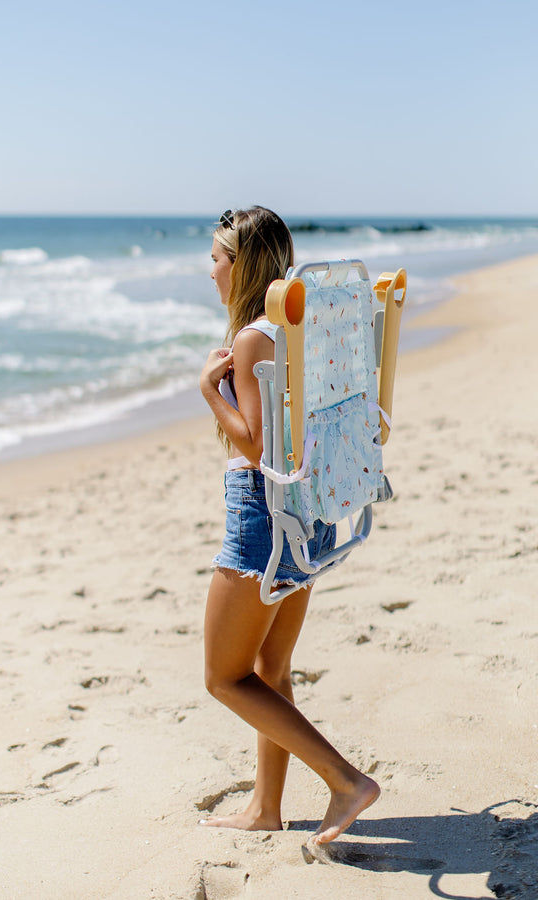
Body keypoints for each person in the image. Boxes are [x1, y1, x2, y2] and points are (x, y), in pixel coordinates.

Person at [199, 206, 379, 845]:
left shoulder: (251, 340)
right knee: (272, 670)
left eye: (217, 257)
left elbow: (254, 447)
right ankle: (266, 807)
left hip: (263, 516)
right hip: (311, 512)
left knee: (225, 677)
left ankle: (345, 781)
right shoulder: (297, 329)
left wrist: (209, 391)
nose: (210, 269)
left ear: (240, 265)